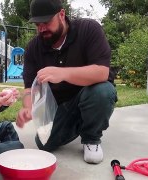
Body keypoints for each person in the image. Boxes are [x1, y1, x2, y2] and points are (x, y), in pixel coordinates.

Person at [16, 0, 117, 164]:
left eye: (46, 22)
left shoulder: (88, 29)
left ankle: (91, 138)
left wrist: (62, 73)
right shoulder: (34, 48)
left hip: (90, 93)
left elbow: (102, 72)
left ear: (61, 14)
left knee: (103, 91)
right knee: (43, 144)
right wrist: (27, 108)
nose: (42, 29)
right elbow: (29, 88)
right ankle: (81, 122)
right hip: (62, 107)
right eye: (37, 24)